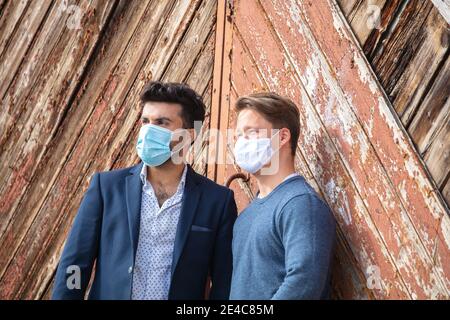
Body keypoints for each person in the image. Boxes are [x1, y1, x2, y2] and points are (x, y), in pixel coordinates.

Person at [52, 81, 237, 300]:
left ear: (189, 134)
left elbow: (224, 282)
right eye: (146, 121)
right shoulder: (107, 187)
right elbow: (74, 264)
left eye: (162, 123)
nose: (149, 130)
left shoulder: (217, 201)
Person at [230, 92, 336, 300]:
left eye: (251, 132)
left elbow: (304, 282)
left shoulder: (300, 203)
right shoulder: (245, 217)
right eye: (238, 136)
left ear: (283, 137)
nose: (242, 143)